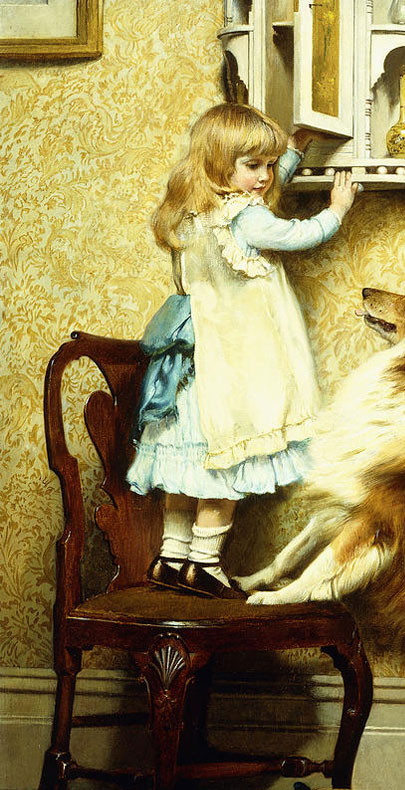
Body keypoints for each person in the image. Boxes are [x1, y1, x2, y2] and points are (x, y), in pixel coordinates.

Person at [127, 103, 358, 599]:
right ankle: (204, 563)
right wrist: (336, 210)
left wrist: (291, 149)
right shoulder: (246, 219)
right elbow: (298, 234)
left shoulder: (193, 215)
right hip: (234, 362)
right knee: (224, 464)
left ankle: (171, 558)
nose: (265, 177)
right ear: (218, 167)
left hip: (195, 362)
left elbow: (258, 192)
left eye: (270, 165)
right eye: (254, 166)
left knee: (187, 462)